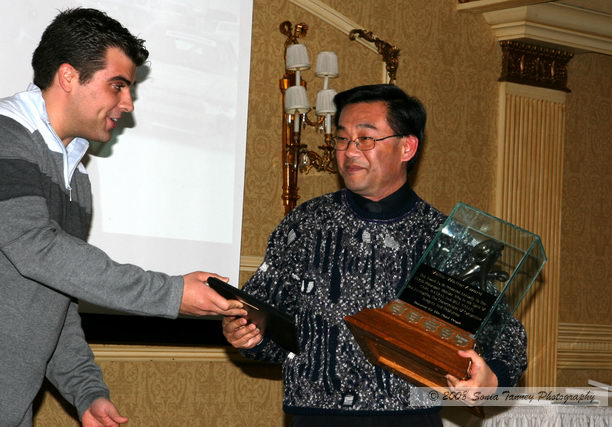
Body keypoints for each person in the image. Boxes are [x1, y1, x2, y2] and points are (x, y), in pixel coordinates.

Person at [223, 84, 527, 426]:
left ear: (407, 147)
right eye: (342, 138)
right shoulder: (306, 224)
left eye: (365, 139)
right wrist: (248, 336)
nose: (350, 151)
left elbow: (506, 338)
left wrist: (491, 379)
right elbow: (272, 324)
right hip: (315, 417)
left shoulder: (442, 238)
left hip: (410, 418)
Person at [0, 8, 244, 427]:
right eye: (118, 86)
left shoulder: (75, 175)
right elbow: (37, 249)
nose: (128, 104)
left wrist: (85, 392)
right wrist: (171, 292)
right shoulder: (6, 138)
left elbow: (54, 300)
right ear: (68, 76)